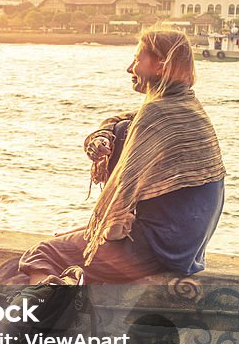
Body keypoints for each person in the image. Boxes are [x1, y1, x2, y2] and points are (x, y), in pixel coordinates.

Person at [20, 28, 226, 285]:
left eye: (138, 60)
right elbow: (123, 120)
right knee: (120, 130)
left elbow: (122, 190)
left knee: (41, 254)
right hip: (186, 249)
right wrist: (103, 135)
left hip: (158, 249)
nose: (130, 68)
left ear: (161, 65)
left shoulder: (157, 113)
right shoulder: (186, 106)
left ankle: (41, 315)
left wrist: (96, 232)